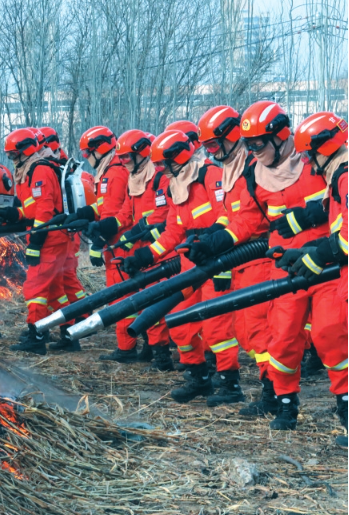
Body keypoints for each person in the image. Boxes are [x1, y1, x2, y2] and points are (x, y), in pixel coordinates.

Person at [184, 102, 342, 431]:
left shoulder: (315, 162)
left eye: (258, 144)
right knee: (281, 338)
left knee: (330, 334)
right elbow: (247, 220)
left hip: (327, 263)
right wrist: (216, 242)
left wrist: (314, 216)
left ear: (280, 136)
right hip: (286, 266)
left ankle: (345, 405)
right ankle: (284, 403)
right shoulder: (254, 176)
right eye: (250, 145)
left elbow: (340, 204)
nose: (253, 151)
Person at [120, 130, 243, 406]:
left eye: (163, 164)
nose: (161, 170)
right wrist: (144, 256)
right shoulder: (176, 185)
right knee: (179, 324)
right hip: (189, 264)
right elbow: (173, 232)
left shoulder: (210, 175)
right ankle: (199, 378)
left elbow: (227, 216)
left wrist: (216, 254)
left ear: (179, 157)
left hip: (215, 261)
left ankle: (230, 384)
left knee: (217, 328)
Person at [196, 105, 274, 414]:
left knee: (258, 330)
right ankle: (270, 388)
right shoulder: (232, 169)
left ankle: (274, 394)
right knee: (244, 330)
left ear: (231, 136)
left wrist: (220, 240)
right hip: (241, 262)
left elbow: (251, 220)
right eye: (207, 147)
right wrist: (210, 234)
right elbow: (229, 215)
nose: (211, 152)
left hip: (259, 259)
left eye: (214, 144)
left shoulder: (252, 168)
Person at [276, 111, 346, 445]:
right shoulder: (340, 176)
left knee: (332, 334)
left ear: (323, 148)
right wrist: (310, 250)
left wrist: (320, 255)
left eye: (309, 155)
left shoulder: (345, 176)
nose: (309, 163)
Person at [95, 129, 174, 370]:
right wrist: (107, 228)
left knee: (153, 301)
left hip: (158, 250)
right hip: (140, 250)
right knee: (139, 299)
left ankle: (162, 356)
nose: (123, 162)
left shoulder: (159, 179)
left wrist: (136, 231)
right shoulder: (134, 179)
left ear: (141, 153)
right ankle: (149, 346)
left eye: (127, 157)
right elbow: (126, 214)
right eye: (121, 158)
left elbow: (163, 213)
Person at [67, 126, 142, 362]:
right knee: (120, 294)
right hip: (116, 243)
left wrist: (98, 241)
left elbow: (116, 213)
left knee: (120, 296)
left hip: (121, 244)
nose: (86, 158)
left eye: (87, 153)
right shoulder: (108, 170)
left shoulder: (116, 172)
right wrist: (83, 214)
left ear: (99, 149)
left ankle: (127, 348)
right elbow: (104, 206)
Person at [0, 128, 68, 355]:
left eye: (13, 155)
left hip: (48, 239)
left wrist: (35, 243)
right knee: (54, 291)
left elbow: (45, 211)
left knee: (34, 288)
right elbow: (32, 209)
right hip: (52, 237)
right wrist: (14, 214)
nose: (12, 159)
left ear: (24, 151)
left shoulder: (39, 170)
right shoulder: (31, 169)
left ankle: (36, 337)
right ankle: (70, 333)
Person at [39, 126, 88, 352]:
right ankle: (77, 317)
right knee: (64, 278)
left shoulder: (58, 167)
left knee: (66, 277)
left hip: (64, 232)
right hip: (65, 231)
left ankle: (81, 317)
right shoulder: (60, 165)